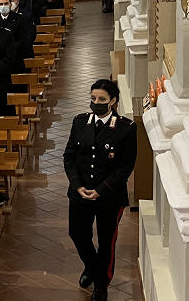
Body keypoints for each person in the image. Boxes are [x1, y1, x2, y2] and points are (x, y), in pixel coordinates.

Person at [64, 80, 137, 301]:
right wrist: (78, 185)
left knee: (107, 241)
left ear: (113, 101)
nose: (96, 103)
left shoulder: (126, 128)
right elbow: (69, 157)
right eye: (93, 98)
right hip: (80, 193)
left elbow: (125, 167)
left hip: (109, 197)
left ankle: (101, 284)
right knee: (77, 234)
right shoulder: (80, 122)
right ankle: (92, 267)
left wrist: (101, 190)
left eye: (102, 100)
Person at [0, 0, 28, 73]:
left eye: (6, 4)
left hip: (16, 56)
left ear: (10, 4)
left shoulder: (20, 19)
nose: (3, 6)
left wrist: (10, 49)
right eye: (1, 4)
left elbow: (23, 38)